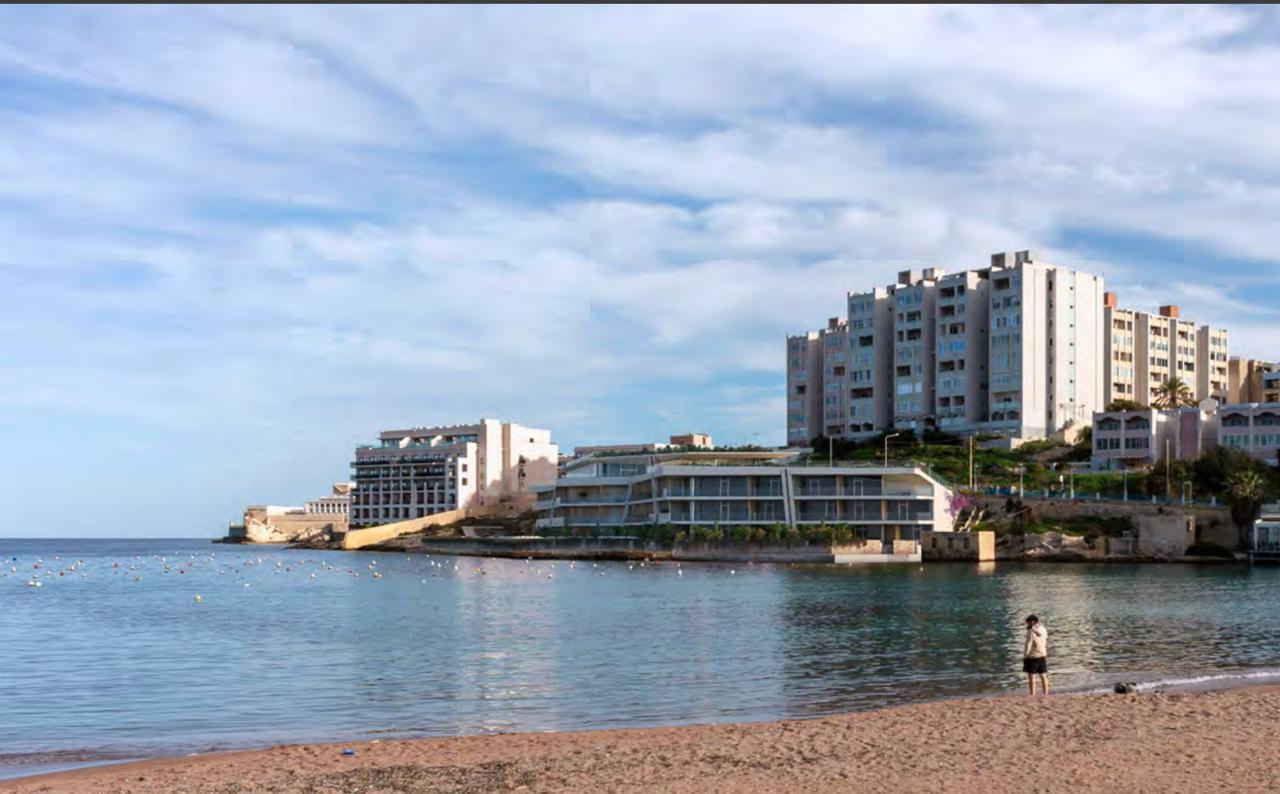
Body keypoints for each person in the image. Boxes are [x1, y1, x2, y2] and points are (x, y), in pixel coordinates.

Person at [1023, 614, 1049, 695]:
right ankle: (1046, 693)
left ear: (1032, 622)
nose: (1027, 625)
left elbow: (1028, 644)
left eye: (1027, 623)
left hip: (1033, 656)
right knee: (1043, 675)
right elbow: (1045, 638)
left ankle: (1033, 694)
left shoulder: (1030, 631)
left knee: (1032, 676)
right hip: (1042, 654)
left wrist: (1025, 655)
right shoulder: (1043, 629)